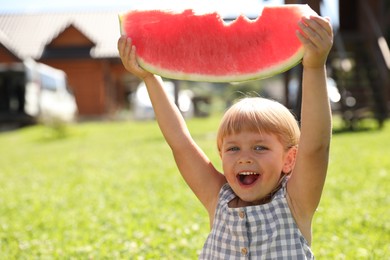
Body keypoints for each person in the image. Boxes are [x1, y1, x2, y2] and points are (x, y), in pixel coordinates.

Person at [118, 14, 333, 259]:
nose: (244, 158)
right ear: (220, 154)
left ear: (289, 159)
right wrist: (149, 77)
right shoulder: (216, 197)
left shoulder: (296, 202)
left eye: (260, 148)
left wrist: (314, 67)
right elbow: (181, 143)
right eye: (233, 149)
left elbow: (315, 148)